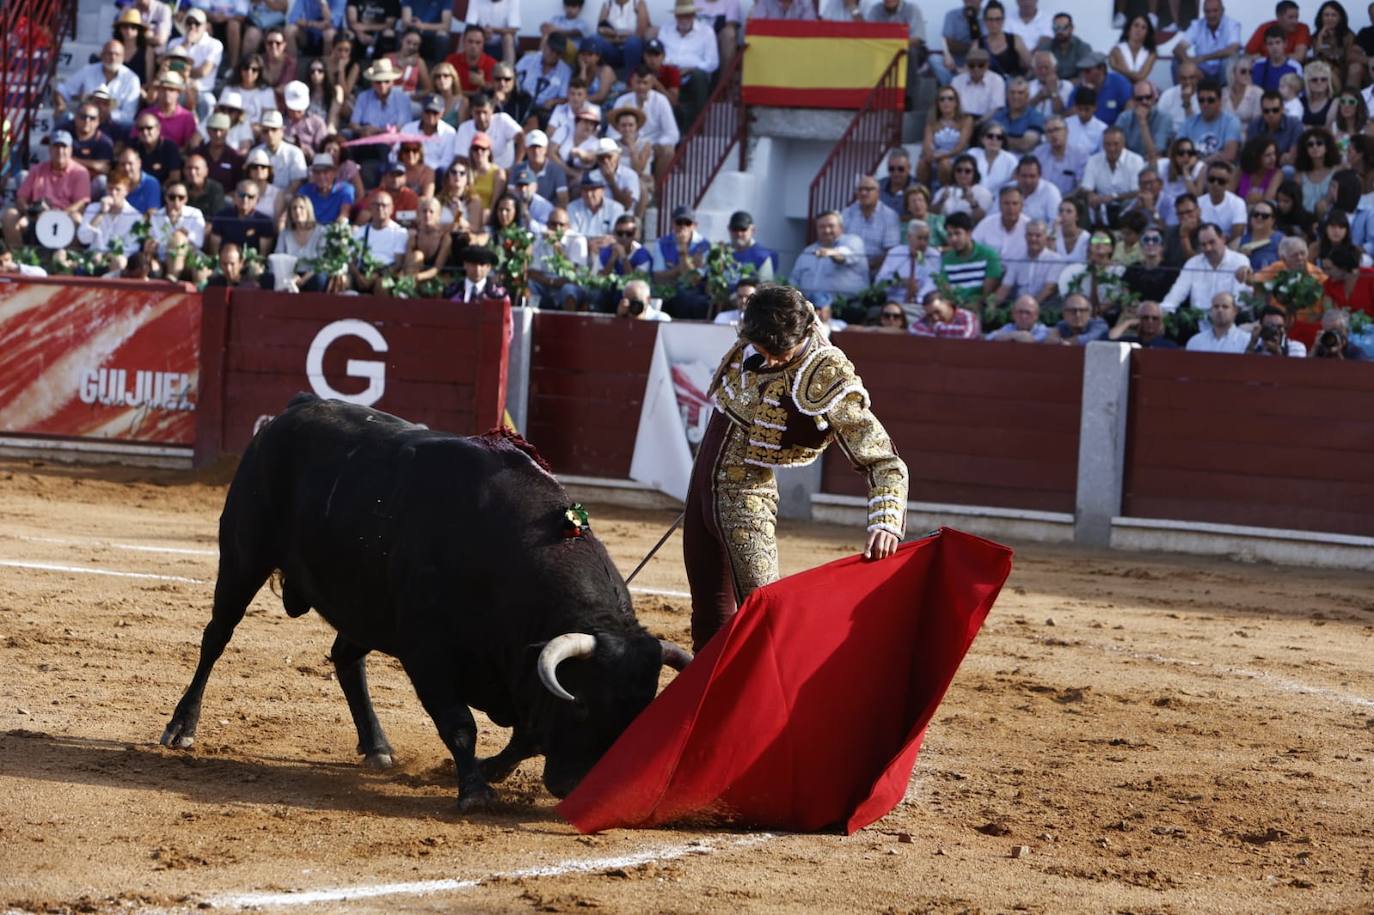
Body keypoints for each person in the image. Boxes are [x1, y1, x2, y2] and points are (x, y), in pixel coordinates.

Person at [684, 284, 908, 650]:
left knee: (765, 617)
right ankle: (708, 702)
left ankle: (772, 702)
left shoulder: (826, 372)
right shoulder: (771, 316)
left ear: (801, 336)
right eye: (760, 350)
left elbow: (884, 459)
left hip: (745, 498)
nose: (767, 360)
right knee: (707, 617)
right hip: (700, 486)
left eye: (778, 353)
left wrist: (886, 518)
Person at [2, 132, 92, 250]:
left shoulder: (80, 172)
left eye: (64, 147)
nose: (60, 151)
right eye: (56, 146)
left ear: (70, 150)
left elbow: (82, 203)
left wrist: (57, 215)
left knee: (77, 219)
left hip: (65, 215)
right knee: (10, 216)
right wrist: (29, 211)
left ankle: (66, 262)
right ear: (49, 149)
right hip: (36, 216)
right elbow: (21, 197)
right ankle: (19, 258)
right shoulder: (37, 169)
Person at [1161, 223, 1249, 312]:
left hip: (1231, 321)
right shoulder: (1193, 263)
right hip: (1198, 322)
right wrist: (1161, 313)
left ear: (1223, 239)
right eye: (1203, 244)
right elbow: (1176, 294)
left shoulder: (1240, 261)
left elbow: (1240, 301)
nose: (1208, 248)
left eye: (1212, 242)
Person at [790, 211, 868, 304]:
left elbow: (845, 256)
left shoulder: (853, 241)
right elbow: (794, 279)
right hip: (811, 306)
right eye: (822, 227)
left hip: (846, 306)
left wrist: (831, 253)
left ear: (841, 227)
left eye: (831, 226)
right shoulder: (808, 251)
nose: (826, 230)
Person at [938, 211, 1003, 308]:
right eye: (950, 235)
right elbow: (946, 292)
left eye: (957, 233)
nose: (953, 239)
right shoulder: (947, 259)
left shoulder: (988, 255)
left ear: (969, 233)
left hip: (980, 309)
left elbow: (987, 294)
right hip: (954, 309)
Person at [841, 176, 901, 275]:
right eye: (860, 189)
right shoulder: (847, 213)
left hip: (877, 272)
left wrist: (865, 267)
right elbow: (838, 243)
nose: (863, 193)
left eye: (868, 189)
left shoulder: (890, 216)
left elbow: (890, 251)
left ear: (878, 193)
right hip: (847, 269)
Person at [1173, 0, 1242, 86]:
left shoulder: (1232, 25)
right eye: (1207, 11)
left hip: (1221, 69)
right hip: (1201, 71)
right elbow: (1178, 49)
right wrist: (1190, 65)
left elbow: (1232, 50)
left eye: (1215, 11)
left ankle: (1225, 95)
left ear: (1222, 11)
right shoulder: (1197, 25)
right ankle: (1183, 95)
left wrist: (1203, 58)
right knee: (1176, 62)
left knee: (1229, 62)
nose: (1211, 15)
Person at [918, 86, 973, 188]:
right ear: (938, 103)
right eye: (942, 99)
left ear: (956, 102)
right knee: (922, 162)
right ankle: (923, 192)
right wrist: (930, 154)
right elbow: (926, 144)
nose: (946, 102)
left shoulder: (966, 120)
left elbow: (961, 146)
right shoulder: (932, 122)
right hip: (936, 154)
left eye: (950, 98)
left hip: (957, 155)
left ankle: (946, 192)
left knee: (944, 164)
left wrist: (942, 156)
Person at [1180, 79, 1242, 164]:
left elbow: (1229, 155)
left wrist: (1198, 164)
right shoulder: (1189, 123)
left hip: (1218, 172)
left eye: (1210, 100)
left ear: (1220, 101)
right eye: (1201, 100)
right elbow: (1176, 151)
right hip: (1191, 171)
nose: (1205, 104)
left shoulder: (1231, 122)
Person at [1247, 91, 1303, 167]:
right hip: (1260, 166)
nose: (1271, 114)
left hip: (1283, 167)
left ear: (1282, 109)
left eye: (1275, 110)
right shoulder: (1254, 125)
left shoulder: (1294, 124)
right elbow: (1251, 153)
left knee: (1288, 170)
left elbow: (1293, 155)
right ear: (1261, 111)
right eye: (1266, 111)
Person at [1245, 1, 1311, 60]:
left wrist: (1264, 58)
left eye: (1297, 17)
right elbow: (1248, 53)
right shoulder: (1264, 28)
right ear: (1278, 17)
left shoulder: (1302, 28)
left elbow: (1299, 57)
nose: (1295, 21)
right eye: (1290, 17)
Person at [951, 48, 1006, 118]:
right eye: (972, 65)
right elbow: (953, 106)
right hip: (962, 119)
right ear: (967, 65)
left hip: (987, 120)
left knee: (995, 128)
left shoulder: (997, 80)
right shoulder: (957, 81)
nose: (976, 69)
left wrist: (978, 123)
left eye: (981, 65)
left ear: (987, 65)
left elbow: (995, 109)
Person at [1199, 161, 1247, 240]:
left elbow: (1237, 236)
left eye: (1221, 181)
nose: (1215, 184)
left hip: (1229, 247)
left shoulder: (1238, 203)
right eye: (1211, 179)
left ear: (1228, 183)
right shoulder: (1198, 203)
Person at [725, 210, 778, 282]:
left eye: (743, 229)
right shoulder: (720, 253)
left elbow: (765, 288)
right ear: (729, 229)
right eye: (735, 229)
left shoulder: (762, 257)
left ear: (752, 230)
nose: (739, 233)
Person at [1109, 299, 1177, 347]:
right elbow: (1110, 339)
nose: (1150, 321)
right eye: (1145, 317)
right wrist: (1128, 323)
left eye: (1155, 318)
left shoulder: (1169, 346)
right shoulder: (1129, 342)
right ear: (1138, 320)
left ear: (1160, 322)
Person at [986, 294, 1050, 341]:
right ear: (1013, 314)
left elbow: (1030, 340)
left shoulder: (1042, 331)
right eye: (1020, 312)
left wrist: (1010, 336)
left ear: (1036, 316)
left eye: (1028, 313)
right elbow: (989, 338)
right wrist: (1014, 335)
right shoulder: (1009, 328)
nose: (1023, 316)